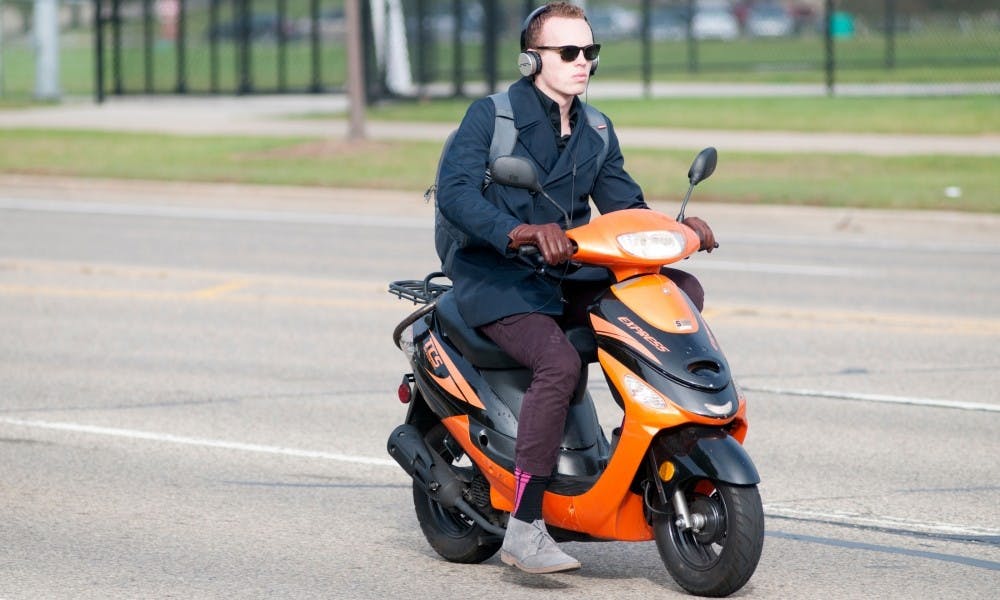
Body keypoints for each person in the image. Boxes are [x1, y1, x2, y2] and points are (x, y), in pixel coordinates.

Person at [435, 2, 716, 574]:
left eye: (590, 52)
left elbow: (625, 205)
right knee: (559, 363)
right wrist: (516, 232)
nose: (582, 62)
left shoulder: (596, 129)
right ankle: (525, 525)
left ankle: (643, 443)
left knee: (674, 291)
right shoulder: (492, 117)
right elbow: (456, 194)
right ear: (531, 58)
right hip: (498, 274)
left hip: (566, 268)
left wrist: (678, 230)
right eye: (568, 52)